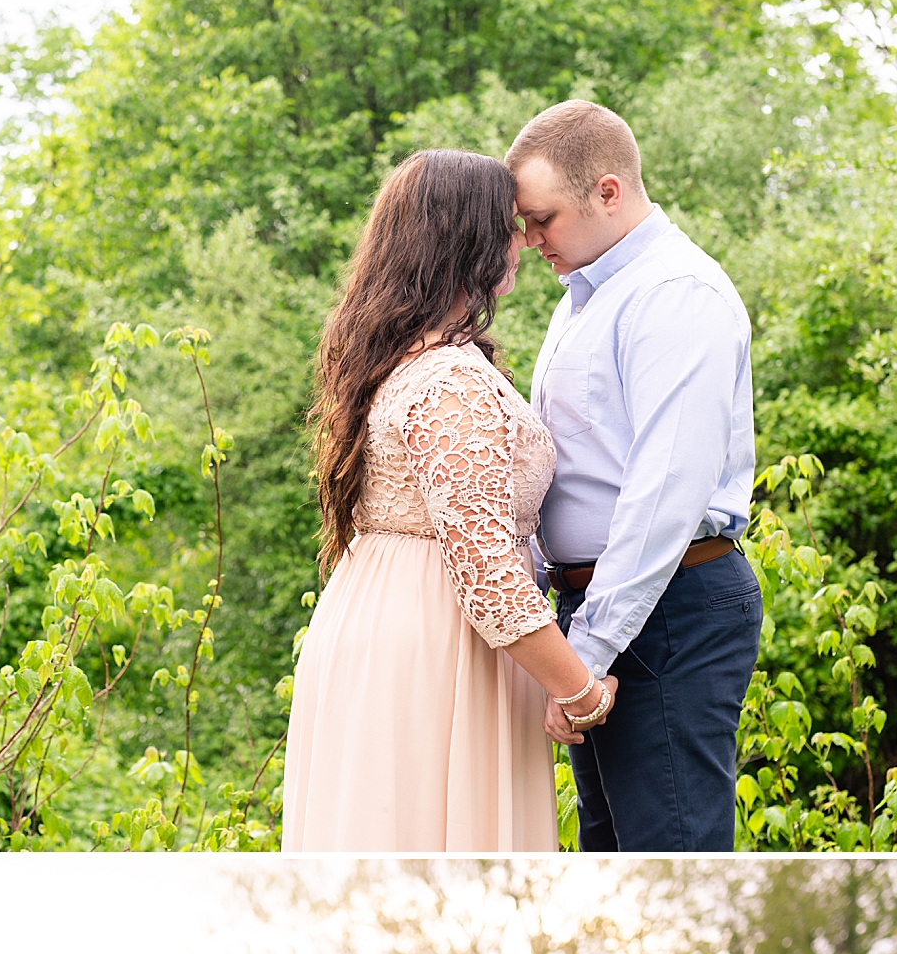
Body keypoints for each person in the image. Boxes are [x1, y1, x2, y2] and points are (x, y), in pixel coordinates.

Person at [282, 148, 617, 853]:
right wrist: (578, 686)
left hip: (381, 617)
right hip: (437, 644)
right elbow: (487, 566)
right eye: (509, 225)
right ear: (464, 238)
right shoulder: (448, 382)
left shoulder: (396, 356)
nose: (524, 239)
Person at [508, 98, 762, 852]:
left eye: (542, 218)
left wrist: (585, 655)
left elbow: (662, 498)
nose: (529, 240)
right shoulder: (586, 295)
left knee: (670, 854)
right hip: (608, 610)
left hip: (669, 609)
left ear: (608, 192)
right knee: (612, 852)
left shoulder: (675, 295)